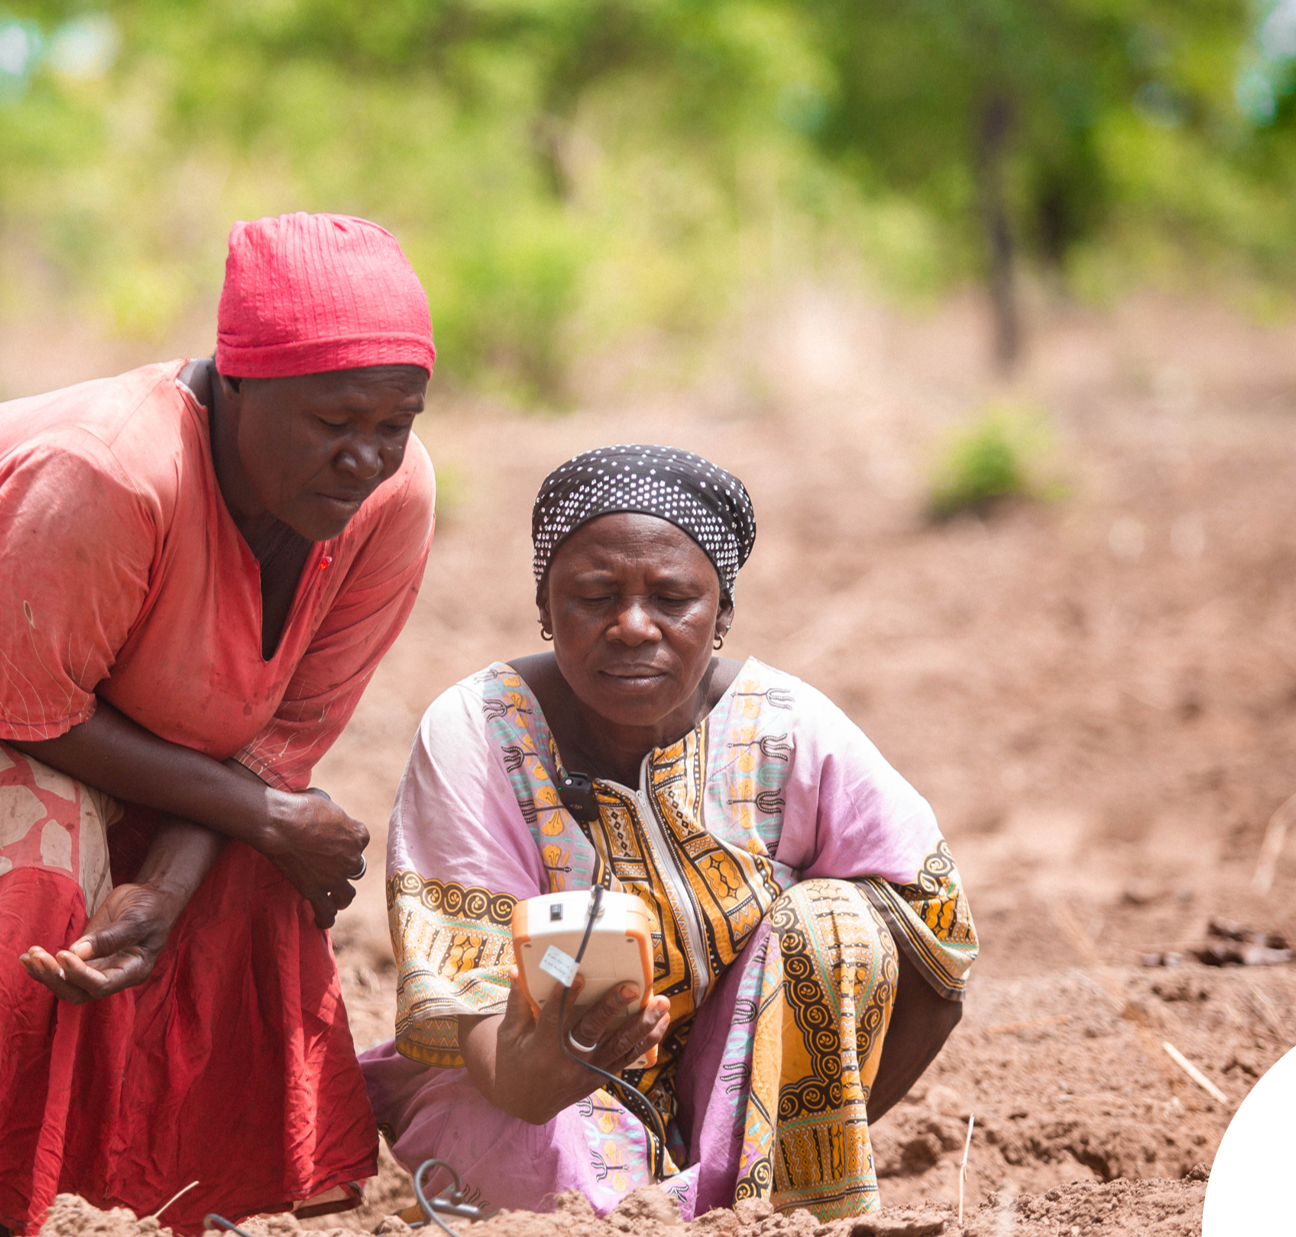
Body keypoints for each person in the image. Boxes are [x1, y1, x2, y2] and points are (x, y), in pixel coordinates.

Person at [0, 213, 439, 1236]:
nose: (364, 458)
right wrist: (268, 815)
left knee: (246, 861)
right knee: (41, 842)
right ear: (239, 381)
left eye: (391, 425)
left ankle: (183, 1198)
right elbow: (28, 711)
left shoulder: (393, 500)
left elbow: (270, 748)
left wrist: (165, 891)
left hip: (68, 626)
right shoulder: (108, 473)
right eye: (331, 423)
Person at [359, 445, 977, 1222]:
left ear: (722, 616)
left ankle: (774, 1207)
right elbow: (481, 1029)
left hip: (750, 1086)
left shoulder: (789, 731)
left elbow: (936, 950)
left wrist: (772, 1133)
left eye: (672, 596)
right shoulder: (478, 734)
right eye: (593, 594)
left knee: (839, 927)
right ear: (545, 607)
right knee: (530, 1164)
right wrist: (542, 1069)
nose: (631, 625)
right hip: (528, 1088)